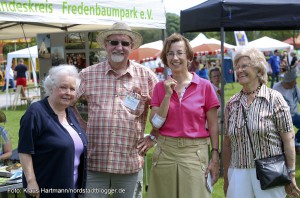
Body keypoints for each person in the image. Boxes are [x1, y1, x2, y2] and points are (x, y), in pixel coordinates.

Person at [73, 22, 158, 198]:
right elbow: (67, 101)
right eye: (114, 42)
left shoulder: (147, 76)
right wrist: (80, 124)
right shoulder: (88, 75)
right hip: (95, 163)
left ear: (131, 47)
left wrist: (153, 136)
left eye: (125, 43)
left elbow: (165, 110)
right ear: (106, 45)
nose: (119, 47)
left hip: (129, 164)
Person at [147, 33, 220, 198]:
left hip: (194, 153)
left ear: (188, 56)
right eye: (170, 53)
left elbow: (214, 125)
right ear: (166, 58)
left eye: (179, 52)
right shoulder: (160, 88)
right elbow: (156, 124)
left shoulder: (205, 86)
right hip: (165, 152)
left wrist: (215, 154)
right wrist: (167, 95)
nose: (175, 57)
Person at [223, 47, 300, 198]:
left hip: (270, 171)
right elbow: (226, 143)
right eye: (237, 67)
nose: (239, 70)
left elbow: (288, 139)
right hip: (237, 173)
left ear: (258, 69)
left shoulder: (275, 99)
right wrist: (226, 177)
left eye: (244, 66)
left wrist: (290, 173)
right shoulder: (232, 104)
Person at [18, 65, 88, 198]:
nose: (68, 92)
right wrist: (31, 181)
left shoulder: (69, 113)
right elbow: (25, 150)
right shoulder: (35, 113)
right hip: (47, 189)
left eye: (72, 89)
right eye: (63, 87)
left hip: (72, 190)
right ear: (51, 87)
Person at [273, 69, 300, 148]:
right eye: (294, 80)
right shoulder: (276, 88)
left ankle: (297, 141)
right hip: (282, 117)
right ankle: (288, 144)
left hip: (294, 115)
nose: (296, 82)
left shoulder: (295, 87)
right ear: (288, 81)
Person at [209, 66, 222, 133]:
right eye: (214, 76)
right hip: (215, 122)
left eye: (218, 76)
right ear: (210, 79)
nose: (217, 78)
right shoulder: (210, 91)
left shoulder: (219, 89)